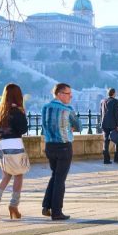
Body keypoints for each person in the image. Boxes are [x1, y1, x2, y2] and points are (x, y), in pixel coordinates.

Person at [0, 83, 29, 219]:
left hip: (0, 145)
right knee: (19, 175)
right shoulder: (17, 111)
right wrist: (23, 114)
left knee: (6, 175)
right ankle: (13, 205)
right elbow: (23, 129)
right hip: (14, 144)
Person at [41, 83, 80, 220]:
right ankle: (57, 211)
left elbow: (45, 127)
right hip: (64, 146)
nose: (71, 96)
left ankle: (46, 206)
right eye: (68, 93)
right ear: (59, 94)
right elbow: (78, 125)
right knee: (60, 180)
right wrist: (70, 127)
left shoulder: (45, 108)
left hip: (49, 146)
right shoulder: (68, 109)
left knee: (55, 175)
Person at [100, 88, 118, 164]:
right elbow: (117, 114)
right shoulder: (115, 101)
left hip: (104, 124)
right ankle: (117, 159)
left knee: (106, 142)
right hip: (113, 124)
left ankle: (106, 160)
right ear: (114, 93)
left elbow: (101, 113)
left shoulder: (103, 101)